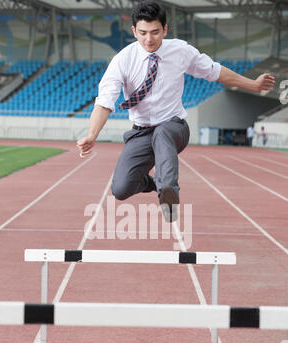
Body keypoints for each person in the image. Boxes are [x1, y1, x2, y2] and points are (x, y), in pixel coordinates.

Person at [77, 1, 275, 222]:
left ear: (165, 29)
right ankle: (153, 184)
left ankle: (168, 193)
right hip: (141, 132)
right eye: (142, 33)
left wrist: (254, 84)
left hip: (174, 126)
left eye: (155, 32)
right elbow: (104, 102)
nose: (149, 39)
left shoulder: (180, 50)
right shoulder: (122, 60)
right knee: (121, 189)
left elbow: (215, 72)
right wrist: (92, 135)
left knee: (162, 134)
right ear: (134, 31)